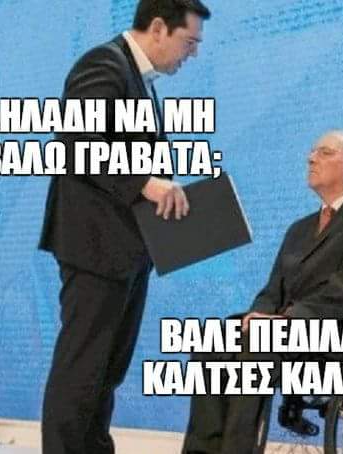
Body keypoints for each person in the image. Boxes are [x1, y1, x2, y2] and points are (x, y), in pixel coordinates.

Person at [38, 1, 211, 453]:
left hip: (127, 249)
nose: (193, 53)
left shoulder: (140, 81)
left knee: (106, 370)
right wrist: (145, 183)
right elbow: (76, 142)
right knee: (83, 368)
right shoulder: (104, 64)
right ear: (158, 27)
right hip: (95, 245)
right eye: (189, 42)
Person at [181, 129, 343, 454]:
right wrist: (259, 314)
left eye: (325, 152)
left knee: (257, 346)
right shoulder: (300, 229)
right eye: (313, 151)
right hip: (293, 333)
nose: (311, 158)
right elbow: (273, 289)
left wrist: (290, 319)